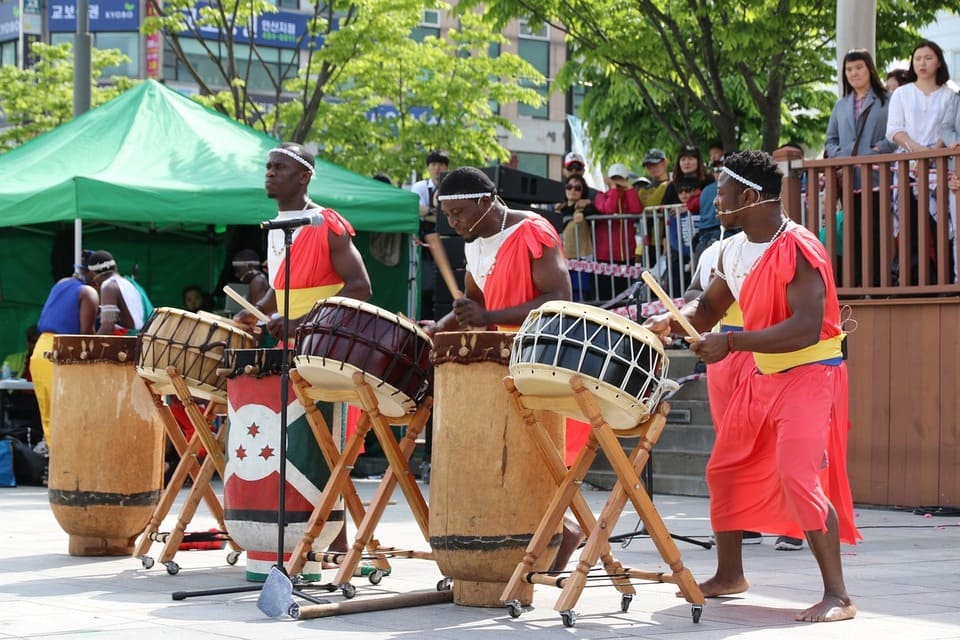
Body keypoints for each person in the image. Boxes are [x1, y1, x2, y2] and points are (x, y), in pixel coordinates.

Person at [644, 151, 859, 623]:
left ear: (747, 197)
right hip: (766, 373)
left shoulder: (798, 246)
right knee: (725, 469)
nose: (714, 203)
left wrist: (732, 343)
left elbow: (806, 328)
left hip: (810, 372)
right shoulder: (733, 250)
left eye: (721, 195)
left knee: (798, 475)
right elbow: (707, 311)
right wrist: (671, 322)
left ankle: (838, 596)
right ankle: (730, 575)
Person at [428, 166, 580, 571]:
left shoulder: (532, 231)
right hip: (501, 360)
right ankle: (556, 530)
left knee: (532, 454)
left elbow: (558, 298)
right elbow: (473, 305)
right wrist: (437, 328)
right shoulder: (474, 244)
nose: (453, 223)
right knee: (508, 456)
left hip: (541, 355)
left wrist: (489, 316)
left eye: (458, 213)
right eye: (448, 215)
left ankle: (562, 531)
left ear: (484, 202)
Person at [242, 143, 372, 342]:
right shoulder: (275, 226)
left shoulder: (326, 223)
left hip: (327, 346)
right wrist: (257, 310)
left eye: (280, 167)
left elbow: (360, 287)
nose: (270, 173)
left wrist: (302, 322)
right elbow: (282, 289)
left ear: (304, 177)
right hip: (290, 347)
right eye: (268, 167)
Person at [824, 48, 897, 287]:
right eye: (849, 69)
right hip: (850, 180)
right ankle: (857, 282)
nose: (854, 73)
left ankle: (878, 282)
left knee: (877, 230)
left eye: (859, 68)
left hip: (878, 179)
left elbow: (896, 133)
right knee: (852, 231)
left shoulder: (887, 100)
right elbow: (830, 141)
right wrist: (842, 153)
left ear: (870, 70)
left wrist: (877, 149)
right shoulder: (841, 105)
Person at [886, 40, 956, 283]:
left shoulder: (951, 94)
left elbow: (949, 129)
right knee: (911, 225)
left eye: (928, 58)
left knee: (943, 225)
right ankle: (914, 279)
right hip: (908, 167)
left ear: (939, 62)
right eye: (917, 58)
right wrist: (917, 150)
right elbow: (894, 130)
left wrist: (934, 150)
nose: (922, 63)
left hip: (942, 168)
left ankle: (946, 279)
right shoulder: (902, 93)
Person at [29, 265, 99, 448]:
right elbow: (86, 336)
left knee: (49, 416)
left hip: (40, 350)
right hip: (61, 351)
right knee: (67, 415)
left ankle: (56, 459)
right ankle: (66, 460)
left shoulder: (62, 283)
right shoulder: (89, 293)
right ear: (94, 275)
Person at [411, 150, 450, 320]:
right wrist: (440, 214)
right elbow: (417, 209)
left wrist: (429, 213)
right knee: (426, 285)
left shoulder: (451, 187)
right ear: (428, 167)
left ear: (446, 167)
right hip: (426, 246)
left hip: (448, 245)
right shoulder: (420, 187)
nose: (437, 168)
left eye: (440, 164)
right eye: (433, 164)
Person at [84, 251, 150, 335]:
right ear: (115, 267)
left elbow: (107, 328)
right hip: (147, 336)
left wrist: (91, 343)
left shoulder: (108, 287)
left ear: (92, 273)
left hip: (134, 339)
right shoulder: (129, 282)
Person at [558, 174, 597, 302]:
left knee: (580, 296)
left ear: (583, 191)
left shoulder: (586, 207)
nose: (573, 190)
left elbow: (597, 210)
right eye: (569, 187)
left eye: (577, 188)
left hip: (581, 260)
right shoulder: (559, 208)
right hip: (561, 259)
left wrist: (584, 211)